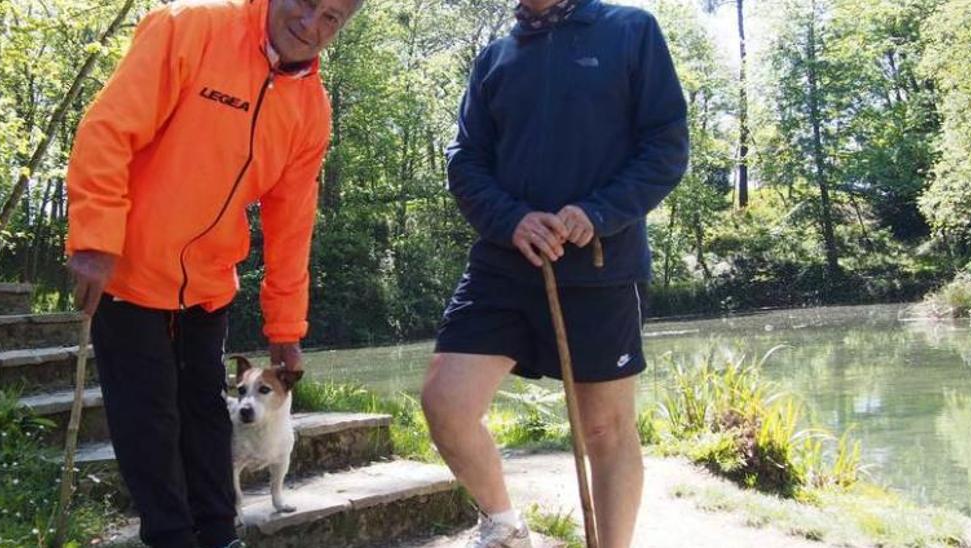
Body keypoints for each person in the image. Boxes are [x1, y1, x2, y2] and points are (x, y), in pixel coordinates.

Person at [63, 1, 363, 546]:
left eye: (332, 19)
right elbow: (108, 128)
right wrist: (94, 237)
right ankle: (170, 537)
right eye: (306, 3)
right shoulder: (191, 26)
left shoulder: (312, 107)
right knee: (149, 423)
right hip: (129, 274)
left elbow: (292, 221)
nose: (310, 25)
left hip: (206, 285)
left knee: (205, 414)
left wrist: (286, 327)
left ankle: (221, 534)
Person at [421, 0, 689, 546]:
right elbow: (465, 160)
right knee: (445, 405)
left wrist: (599, 211)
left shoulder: (631, 30)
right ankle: (504, 525)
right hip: (505, 261)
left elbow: (665, 145)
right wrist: (511, 219)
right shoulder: (495, 57)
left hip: (600, 265)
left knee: (604, 430)